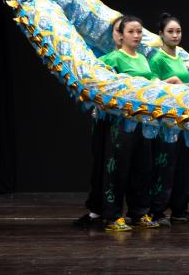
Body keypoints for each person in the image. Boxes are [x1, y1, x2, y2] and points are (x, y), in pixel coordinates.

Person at [99, 15, 183, 232]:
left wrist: (168, 83)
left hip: (144, 123)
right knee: (118, 169)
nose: (136, 36)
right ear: (121, 35)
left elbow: (149, 87)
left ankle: (138, 213)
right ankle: (112, 215)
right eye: (131, 32)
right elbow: (103, 88)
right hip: (121, 123)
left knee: (143, 168)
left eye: (139, 32)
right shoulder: (112, 59)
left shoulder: (143, 59)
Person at [148, 13, 189, 227]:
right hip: (165, 122)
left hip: (181, 121)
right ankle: (157, 210)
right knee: (165, 165)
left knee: (181, 165)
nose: (175, 35)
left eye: (178, 31)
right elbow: (150, 88)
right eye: (170, 31)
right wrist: (182, 85)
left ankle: (179, 209)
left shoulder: (180, 57)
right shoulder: (157, 58)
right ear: (161, 34)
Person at [74, 16, 123, 228]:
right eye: (119, 31)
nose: (122, 35)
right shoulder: (105, 58)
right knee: (103, 163)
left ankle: (118, 212)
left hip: (127, 122)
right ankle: (98, 210)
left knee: (121, 167)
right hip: (105, 119)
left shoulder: (138, 58)